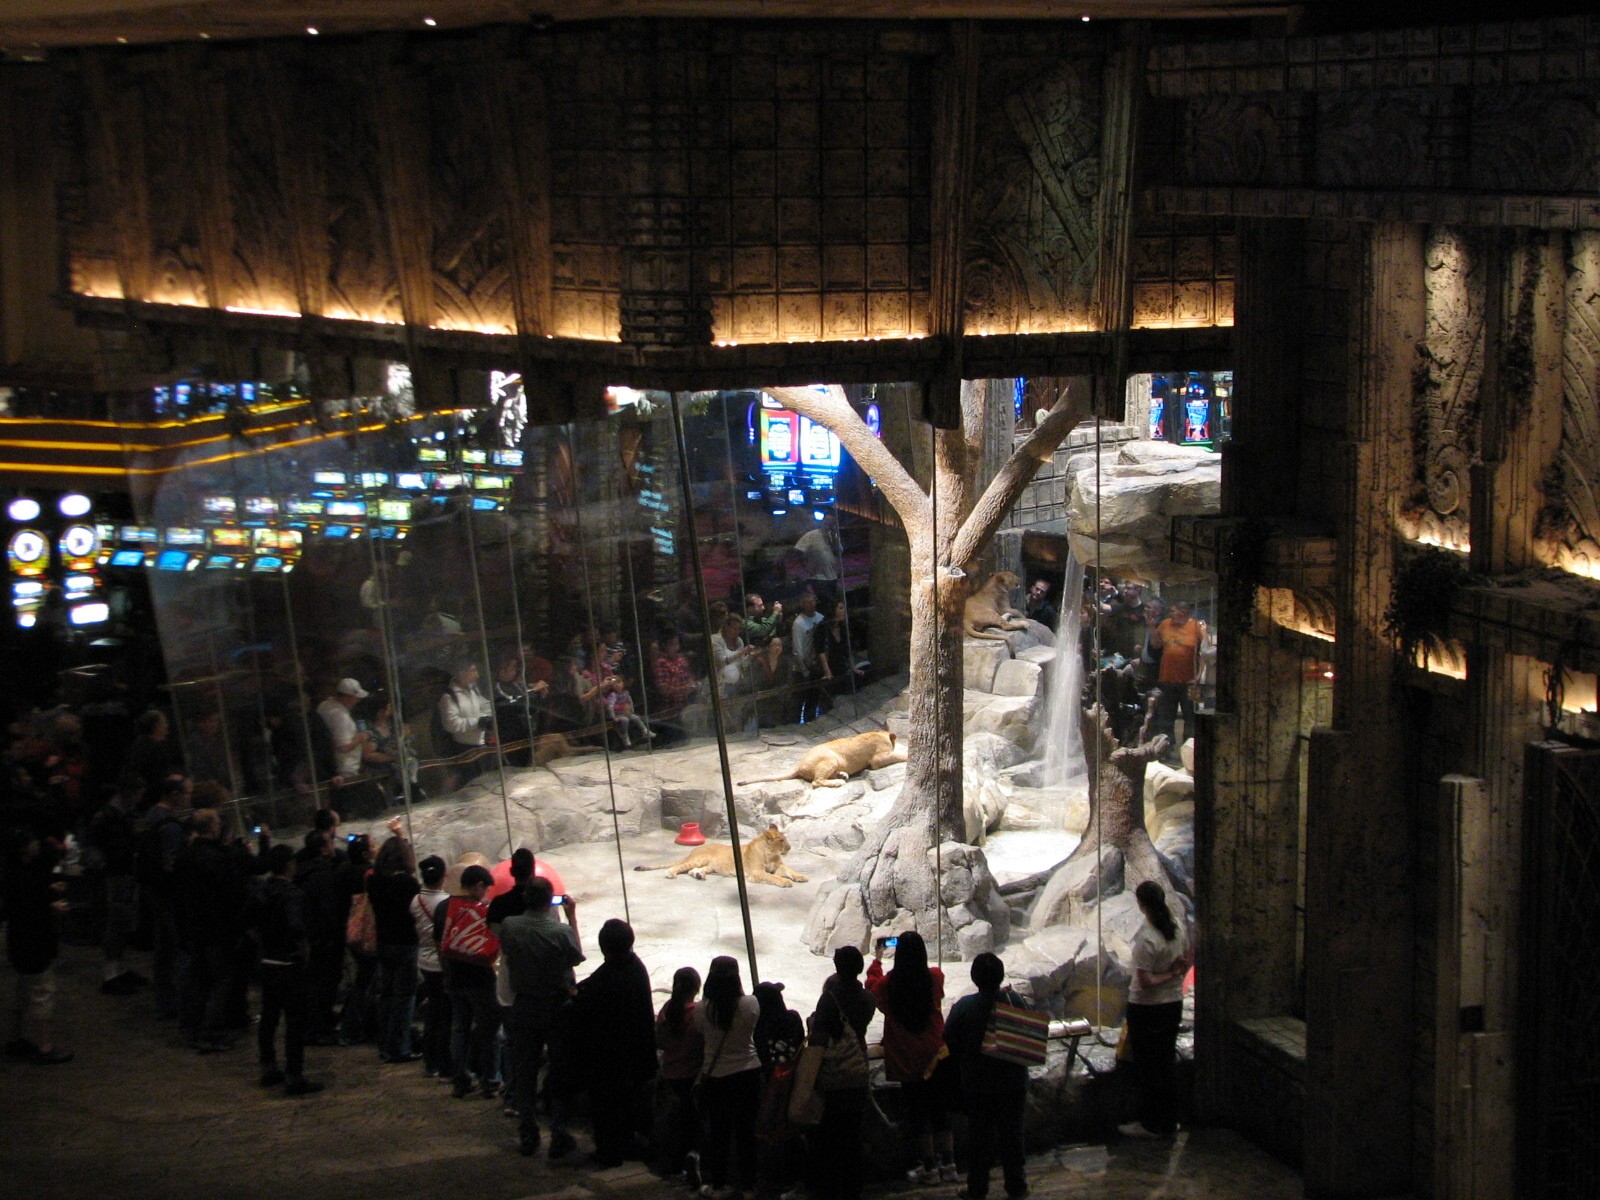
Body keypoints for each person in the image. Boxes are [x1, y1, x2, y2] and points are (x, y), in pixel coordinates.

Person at [498, 876, 584, 1159]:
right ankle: (559, 1131)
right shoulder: (559, 932)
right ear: (550, 901)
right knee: (560, 1070)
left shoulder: (509, 926)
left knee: (524, 1071)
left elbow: (509, 954)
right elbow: (575, 957)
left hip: (524, 1005)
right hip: (556, 1006)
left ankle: (528, 1132)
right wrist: (571, 917)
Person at [866, 931, 956, 1183]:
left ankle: (929, 1168)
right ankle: (949, 1165)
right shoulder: (934, 978)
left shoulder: (887, 986)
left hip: (907, 1059)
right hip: (934, 1056)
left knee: (917, 1114)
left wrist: (877, 958)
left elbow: (871, 986)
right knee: (939, 1111)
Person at [943, 953, 1030, 1200]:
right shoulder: (1016, 1001)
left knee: (979, 1140)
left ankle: (977, 1189)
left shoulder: (964, 1007)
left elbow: (949, 1038)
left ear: (974, 977)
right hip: (1013, 1082)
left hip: (978, 1085)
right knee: (1012, 1137)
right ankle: (1017, 1186)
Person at [571, 919, 657, 1166]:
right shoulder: (635, 967)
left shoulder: (607, 980)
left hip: (609, 1058)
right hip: (636, 1054)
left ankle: (609, 1153)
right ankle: (626, 1145)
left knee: (607, 1108)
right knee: (626, 1106)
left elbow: (586, 1002)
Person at [172, 806, 248, 1053]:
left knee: (200, 980)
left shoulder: (185, 856)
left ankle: (192, 1029)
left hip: (193, 929)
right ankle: (211, 1032)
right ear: (213, 827)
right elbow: (231, 894)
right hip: (217, 930)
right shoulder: (217, 858)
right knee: (221, 981)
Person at [1118, 880, 1191, 1139]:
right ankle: (1169, 1121)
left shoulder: (1147, 939)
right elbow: (1185, 958)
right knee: (1165, 1063)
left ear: (1141, 905)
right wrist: (1175, 972)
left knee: (1149, 1068)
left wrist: (1170, 973)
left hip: (1147, 1009)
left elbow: (1145, 981)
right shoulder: (1177, 929)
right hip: (1172, 1005)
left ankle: (1150, 1123)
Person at [249, 844, 323, 1095]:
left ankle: (268, 1068)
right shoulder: (292, 894)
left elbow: (249, 923)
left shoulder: (261, 889)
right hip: (288, 965)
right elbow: (296, 927)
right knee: (294, 1022)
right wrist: (304, 950)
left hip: (267, 962)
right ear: (289, 865)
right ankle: (294, 1076)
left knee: (268, 1018)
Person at [3, 825, 72, 1064]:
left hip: (18, 940)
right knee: (43, 992)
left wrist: (47, 891)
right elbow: (29, 908)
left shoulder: (13, 872)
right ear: (24, 848)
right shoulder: (23, 874)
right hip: (34, 941)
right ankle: (44, 1046)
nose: (37, 844)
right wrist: (52, 906)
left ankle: (14, 1038)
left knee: (21, 990)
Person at [696, 955, 762, 1199]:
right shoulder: (750, 1003)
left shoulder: (702, 1009)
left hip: (717, 1077)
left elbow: (700, 1032)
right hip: (748, 1073)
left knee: (719, 1132)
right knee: (746, 1132)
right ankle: (748, 1186)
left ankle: (719, 1185)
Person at [435, 863, 503, 1100]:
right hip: (480, 978)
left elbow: (440, 945)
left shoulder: (445, 907)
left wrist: (446, 975)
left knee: (460, 1028)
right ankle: (490, 1081)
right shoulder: (484, 910)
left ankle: (460, 1080)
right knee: (490, 1031)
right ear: (478, 886)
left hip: (454, 976)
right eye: (484, 890)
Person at [808, 983, 870, 1200]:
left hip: (831, 1089)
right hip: (856, 1083)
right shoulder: (865, 1002)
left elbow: (813, 1058)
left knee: (829, 1140)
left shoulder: (821, 1032)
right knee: (852, 1139)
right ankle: (854, 1189)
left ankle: (831, 1188)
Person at [136, 774, 191, 1021]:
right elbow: (170, 863)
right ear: (174, 795)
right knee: (177, 946)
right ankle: (180, 1002)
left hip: (153, 891)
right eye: (186, 792)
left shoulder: (152, 816)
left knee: (163, 947)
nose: (188, 797)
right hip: (167, 894)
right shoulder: (168, 824)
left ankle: (165, 1000)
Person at [367, 833, 422, 1064]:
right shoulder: (408, 883)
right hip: (405, 942)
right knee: (405, 996)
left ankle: (385, 1045)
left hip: (384, 942)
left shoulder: (374, 880)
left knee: (387, 995)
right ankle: (400, 1047)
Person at [87, 781, 146, 995]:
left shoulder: (122, 816)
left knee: (123, 923)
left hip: (124, 873)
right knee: (116, 923)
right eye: (138, 794)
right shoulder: (106, 818)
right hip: (115, 876)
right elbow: (94, 849)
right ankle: (111, 974)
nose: (139, 800)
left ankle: (119, 969)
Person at [294, 829, 346, 1043]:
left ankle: (319, 1021)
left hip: (311, 937)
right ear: (323, 849)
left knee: (315, 983)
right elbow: (328, 911)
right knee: (323, 983)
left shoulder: (302, 872)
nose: (334, 845)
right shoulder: (323, 876)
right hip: (324, 939)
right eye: (331, 842)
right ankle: (317, 1028)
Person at [656, 966, 705, 1186]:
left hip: (670, 1076)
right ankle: (694, 1158)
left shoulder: (667, 1009)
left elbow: (660, 1041)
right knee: (692, 1123)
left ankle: (673, 1165)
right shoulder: (698, 1013)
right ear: (697, 988)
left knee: (673, 1123)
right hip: (692, 1077)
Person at [412, 854, 452, 1078]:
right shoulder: (444, 902)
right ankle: (445, 1065)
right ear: (443, 876)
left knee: (432, 1015)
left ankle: (430, 1062)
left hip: (423, 960)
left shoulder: (415, 900)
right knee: (446, 1016)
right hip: (440, 963)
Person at [336, 833, 378, 1045]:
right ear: (365, 853)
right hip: (365, 933)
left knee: (364, 979)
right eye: (372, 846)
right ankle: (351, 1028)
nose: (375, 848)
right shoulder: (367, 874)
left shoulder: (343, 871)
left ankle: (353, 1025)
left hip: (350, 932)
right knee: (365, 981)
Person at [1150, 601, 1207, 750]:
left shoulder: (1196, 626)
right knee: (1166, 717)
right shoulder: (1165, 623)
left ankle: (1189, 750)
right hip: (1167, 678)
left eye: (1173, 610)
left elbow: (1205, 653)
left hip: (1190, 681)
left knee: (1191, 717)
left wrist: (1200, 675)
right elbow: (1156, 644)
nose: (1170, 613)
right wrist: (1151, 626)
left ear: (1183, 612)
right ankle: (1166, 749)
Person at [439, 658, 494, 769]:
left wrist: (485, 718)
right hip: (464, 747)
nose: (476, 674)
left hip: (481, 743)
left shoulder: (473, 690)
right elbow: (451, 724)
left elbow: (485, 705)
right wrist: (477, 722)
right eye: (472, 670)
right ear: (461, 673)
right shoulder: (449, 696)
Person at [818, 945, 876, 1046]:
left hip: (832, 1055)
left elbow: (820, 1026)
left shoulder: (828, 999)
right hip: (858, 1052)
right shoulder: (868, 997)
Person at [789, 591, 827, 723]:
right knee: (799, 702)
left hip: (816, 667)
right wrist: (805, 671)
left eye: (813, 601)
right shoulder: (798, 623)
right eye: (808, 602)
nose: (812, 604)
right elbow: (797, 651)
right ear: (802, 604)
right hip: (802, 670)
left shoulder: (820, 618)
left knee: (814, 700)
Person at [794, 525, 840, 610]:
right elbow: (798, 550)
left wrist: (834, 538)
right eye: (828, 522)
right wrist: (806, 566)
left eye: (832, 523)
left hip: (832, 576)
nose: (830, 525)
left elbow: (839, 551)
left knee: (832, 605)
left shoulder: (833, 536)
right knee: (825, 604)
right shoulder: (811, 535)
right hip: (819, 577)